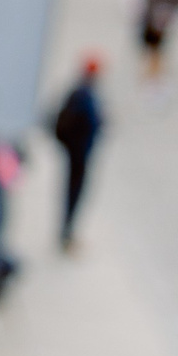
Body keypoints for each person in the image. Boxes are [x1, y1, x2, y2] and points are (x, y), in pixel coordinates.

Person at [50, 57, 105, 252]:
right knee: (74, 195)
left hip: (78, 152)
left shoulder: (81, 92)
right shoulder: (83, 95)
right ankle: (66, 235)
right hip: (78, 154)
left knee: (74, 194)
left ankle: (67, 234)